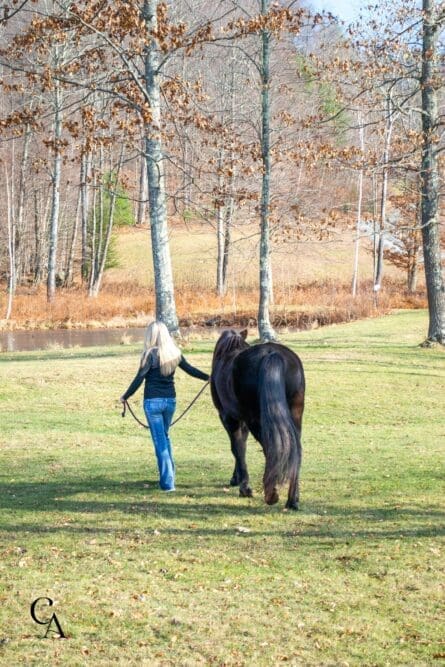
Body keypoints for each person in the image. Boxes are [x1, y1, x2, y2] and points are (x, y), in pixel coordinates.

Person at [120, 321, 209, 492]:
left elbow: (139, 378)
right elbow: (190, 369)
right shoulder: (173, 353)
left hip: (152, 403)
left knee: (160, 442)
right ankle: (168, 475)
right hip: (170, 402)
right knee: (165, 438)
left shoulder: (149, 355)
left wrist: (125, 396)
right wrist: (208, 377)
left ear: (151, 336)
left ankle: (168, 483)